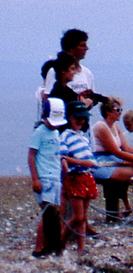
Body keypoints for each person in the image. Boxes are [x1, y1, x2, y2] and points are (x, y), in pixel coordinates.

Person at [90, 96, 133, 215]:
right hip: (101, 162)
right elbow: (117, 152)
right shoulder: (102, 127)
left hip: (112, 159)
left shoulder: (115, 126)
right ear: (108, 112)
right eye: (117, 110)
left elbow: (127, 148)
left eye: (121, 110)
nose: (120, 112)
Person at [59, 99, 99, 249]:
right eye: (77, 118)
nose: (81, 121)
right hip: (75, 177)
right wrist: (81, 164)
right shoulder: (65, 136)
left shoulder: (82, 135)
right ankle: (60, 244)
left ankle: (81, 248)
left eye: (83, 118)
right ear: (69, 118)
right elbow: (62, 157)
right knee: (78, 216)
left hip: (87, 176)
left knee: (83, 217)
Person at [28, 98, 66, 256]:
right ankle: (40, 248)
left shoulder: (56, 132)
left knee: (55, 214)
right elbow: (31, 156)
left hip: (55, 177)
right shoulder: (39, 132)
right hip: (44, 177)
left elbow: (56, 154)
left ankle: (50, 247)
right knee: (48, 214)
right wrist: (35, 179)